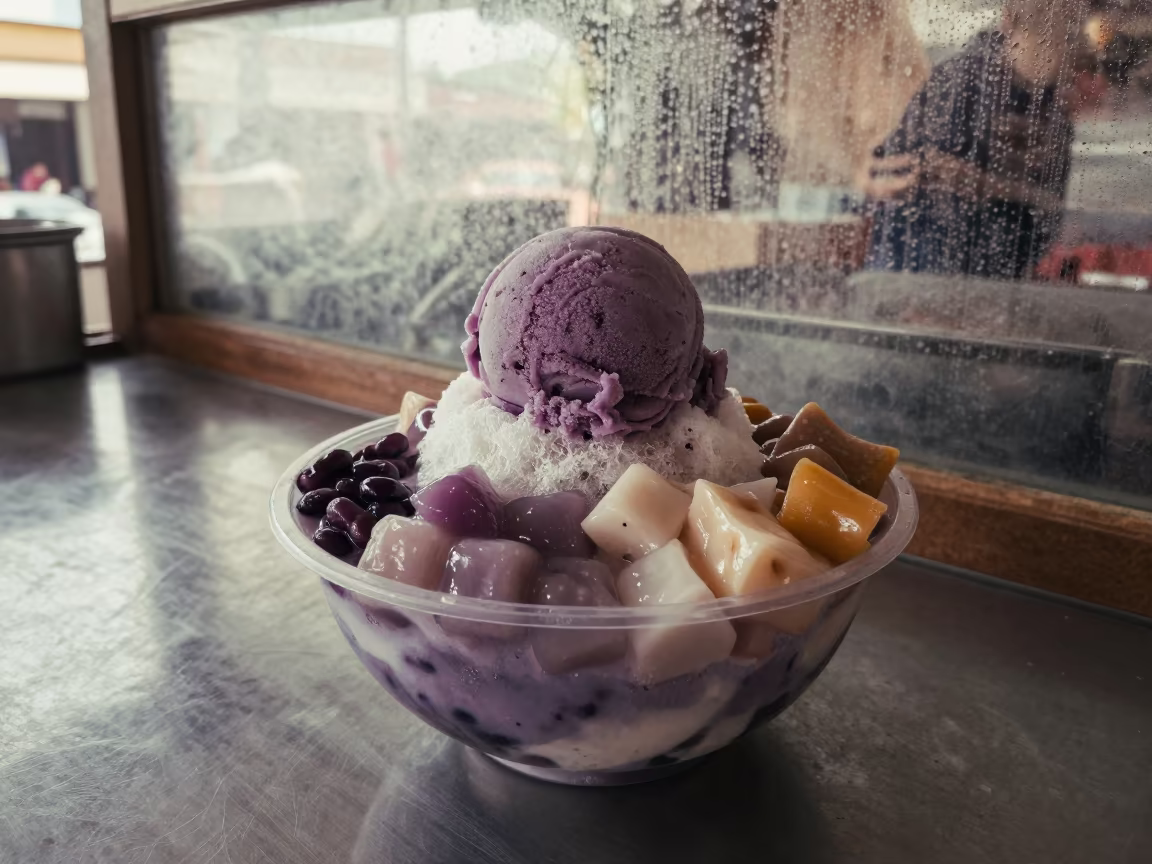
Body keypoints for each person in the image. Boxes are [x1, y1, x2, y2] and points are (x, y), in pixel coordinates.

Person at [861, 0, 1092, 279]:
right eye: (1044, 43)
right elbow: (922, 176)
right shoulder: (964, 82)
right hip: (922, 272)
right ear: (1009, 24)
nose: (1053, 58)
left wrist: (992, 186)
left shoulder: (1051, 106)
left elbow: (1050, 209)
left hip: (990, 277)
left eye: (1063, 40)